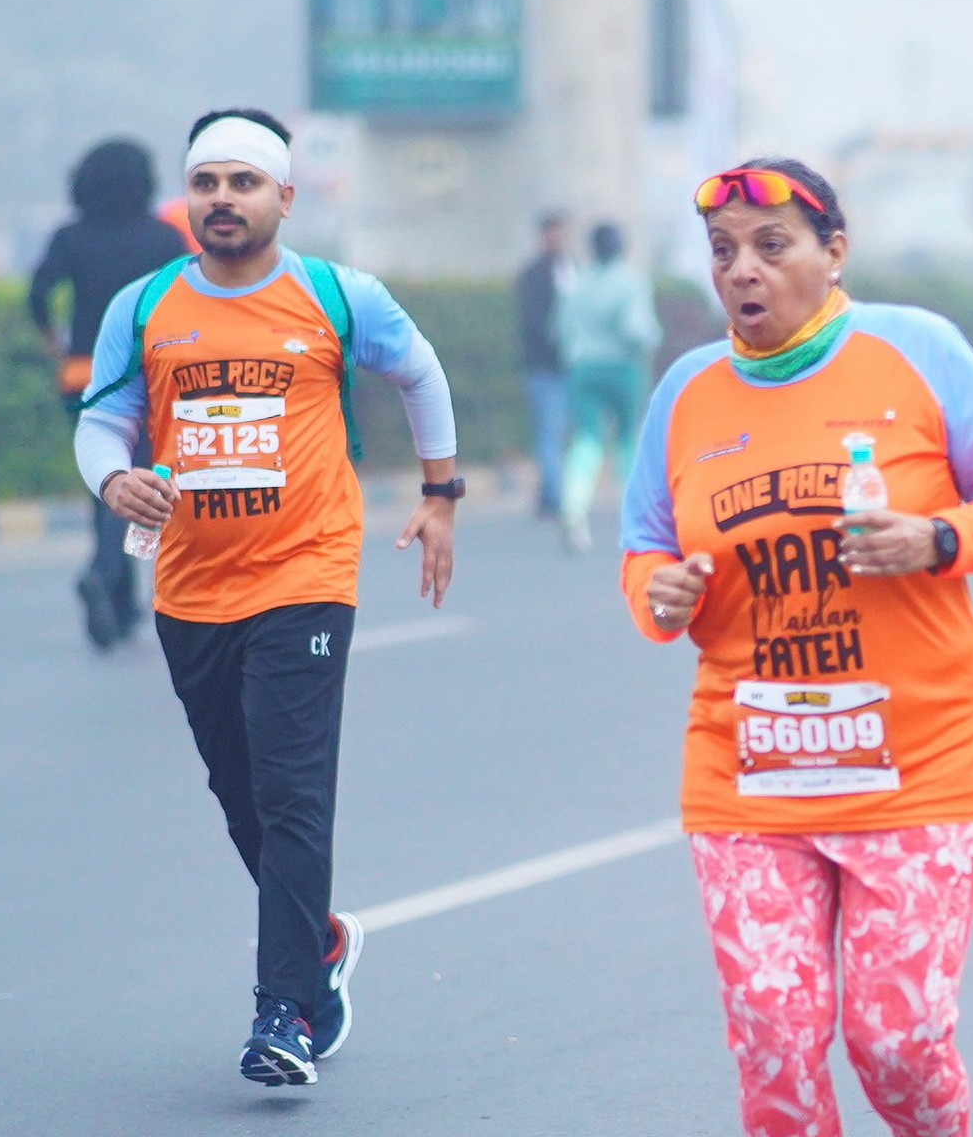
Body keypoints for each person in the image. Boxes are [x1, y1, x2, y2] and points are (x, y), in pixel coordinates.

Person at [624, 157, 973, 1137]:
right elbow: (646, 554)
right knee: (775, 1039)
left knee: (896, 1034)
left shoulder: (915, 350)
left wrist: (940, 539)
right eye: (723, 251)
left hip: (921, 768)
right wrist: (660, 596)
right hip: (749, 778)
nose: (743, 270)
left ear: (835, 252)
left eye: (771, 244)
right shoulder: (686, 393)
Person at [76, 108, 462, 1085]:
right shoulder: (145, 306)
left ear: (284, 199)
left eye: (243, 183)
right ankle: (318, 943)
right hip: (191, 586)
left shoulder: (338, 296)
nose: (223, 200)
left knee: (292, 792)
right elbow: (102, 419)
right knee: (241, 793)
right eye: (206, 183)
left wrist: (441, 493)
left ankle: (281, 1012)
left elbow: (419, 372)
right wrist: (112, 478)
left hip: (306, 576)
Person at [29, 139, 192, 650]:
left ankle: (120, 604)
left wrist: (53, 339)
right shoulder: (163, 239)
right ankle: (102, 575)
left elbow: (37, 292)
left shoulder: (70, 237)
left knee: (102, 482)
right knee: (132, 483)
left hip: (80, 375)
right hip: (143, 380)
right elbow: (190, 300)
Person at [554, 221, 661, 553]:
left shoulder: (578, 283)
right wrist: (651, 340)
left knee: (587, 438)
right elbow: (636, 330)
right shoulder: (630, 283)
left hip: (584, 367)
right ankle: (636, 515)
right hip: (624, 367)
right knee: (628, 440)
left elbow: (560, 328)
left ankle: (573, 509)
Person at [514, 212, 571, 521]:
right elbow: (531, 322)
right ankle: (555, 496)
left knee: (557, 433)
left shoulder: (572, 268)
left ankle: (552, 493)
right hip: (545, 366)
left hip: (570, 366)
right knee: (549, 431)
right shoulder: (532, 275)